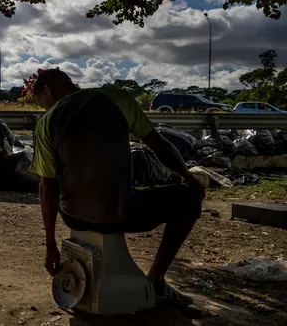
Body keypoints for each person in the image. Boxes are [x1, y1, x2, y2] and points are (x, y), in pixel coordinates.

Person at [29, 68, 206, 307]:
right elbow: (159, 145)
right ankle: (156, 280)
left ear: (48, 90)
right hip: (121, 214)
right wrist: (189, 178)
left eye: (42, 102)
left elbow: (47, 187)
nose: (44, 108)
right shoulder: (118, 98)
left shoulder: (46, 123)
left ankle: (154, 281)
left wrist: (50, 244)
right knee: (189, 199)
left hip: (72, 217)